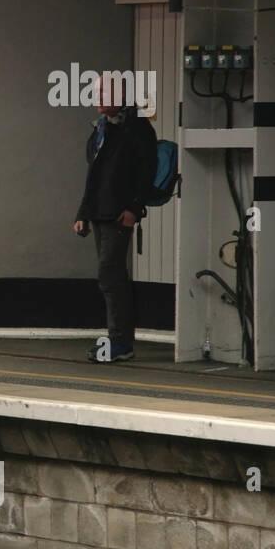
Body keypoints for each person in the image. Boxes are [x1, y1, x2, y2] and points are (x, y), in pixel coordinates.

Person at [72, 81, 157, 362]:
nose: (97, 97)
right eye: (96, 92)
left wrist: (134, 208)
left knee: (110, 274)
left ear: (122, 96)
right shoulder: (100, 129)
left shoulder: (137, 129)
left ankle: (119, 342)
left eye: (104, 93)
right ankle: (119, 340)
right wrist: (84, 213)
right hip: (100, 211)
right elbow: (93, 175)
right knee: (112, 274)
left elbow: (147, 171)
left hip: (119, 213)